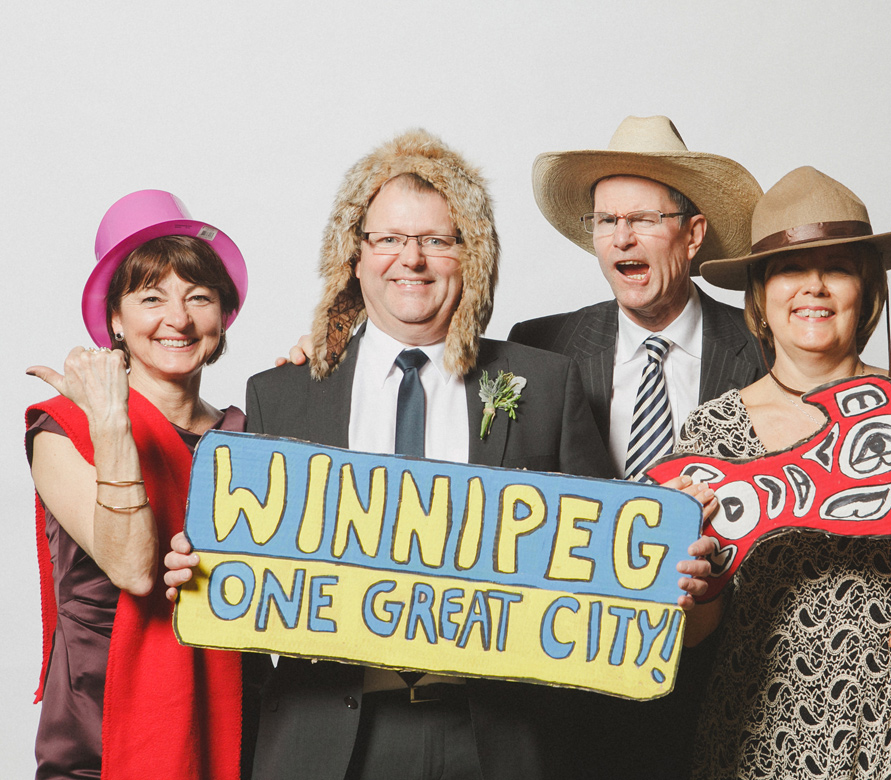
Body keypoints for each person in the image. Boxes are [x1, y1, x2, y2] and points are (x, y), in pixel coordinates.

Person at [508, 116, 891, 779]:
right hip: (581, 699)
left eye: (642, 218)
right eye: (606, 220)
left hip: (729, 695)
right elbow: (488, 494)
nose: (621, 236)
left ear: (694, 232)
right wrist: (329, 350)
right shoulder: (536, 348)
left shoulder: (778, 346)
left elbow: (884, 511)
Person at [165, 130, 634, 780]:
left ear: (470, 257)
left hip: (495, 738)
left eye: (437, 241)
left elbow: (602, 568)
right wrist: (203, 570)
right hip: (328, 740)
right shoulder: (283, 395)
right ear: (354, 257)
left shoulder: (544, 385)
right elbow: (253, 573)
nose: (410, 260)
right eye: (388, 239)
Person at [679, 166, 891, 779]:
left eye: (839, 267)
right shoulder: (711, 435)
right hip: (761, 740)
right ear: (760, 291)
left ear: (868, 288)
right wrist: (693, 581)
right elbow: (695, 633)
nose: (815, 287)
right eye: (791, 268)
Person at [24, 190, 250, 780]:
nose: (176, 319)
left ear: (222, 316)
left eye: (198, 297)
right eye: (151, 298)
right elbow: (133, 568)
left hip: (233, 727)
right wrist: (112, 420)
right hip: (99, 739)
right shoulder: (63, 428)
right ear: (116, 320)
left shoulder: (250, 436)